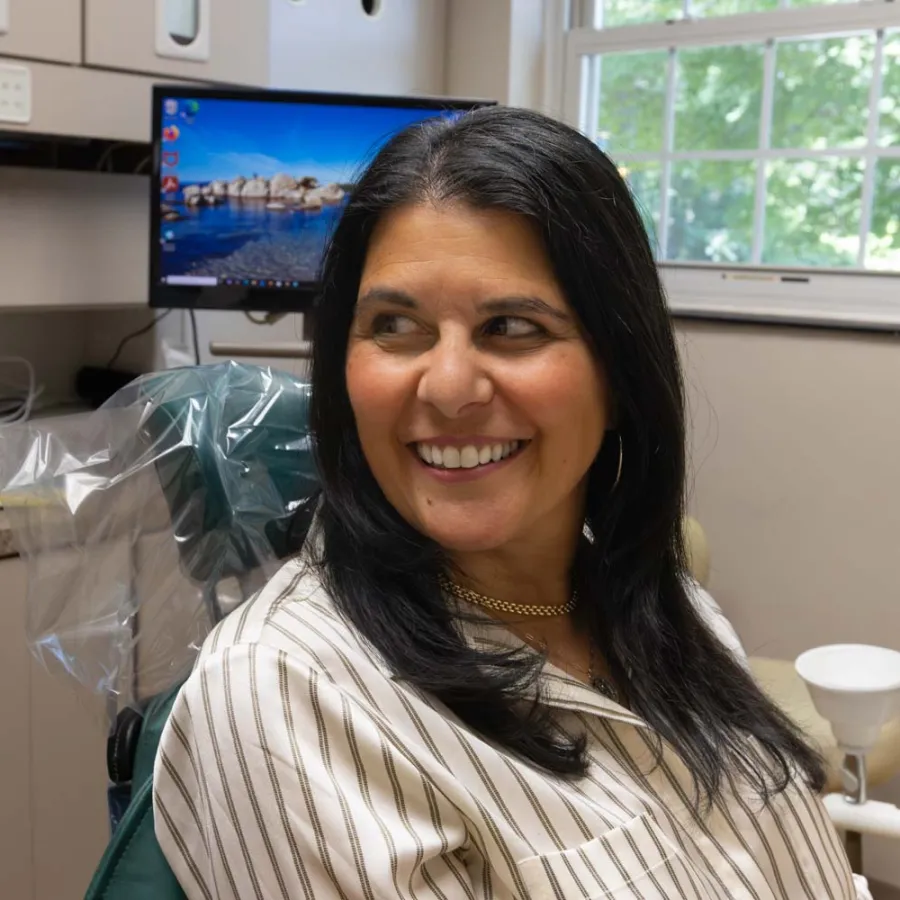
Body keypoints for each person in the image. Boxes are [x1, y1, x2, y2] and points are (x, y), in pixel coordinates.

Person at [153, 107, 870, 899]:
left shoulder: (677, 613)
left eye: (511, 327)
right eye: (394, 325)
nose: (449, 387)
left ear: (620, 371)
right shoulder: (288, 699)